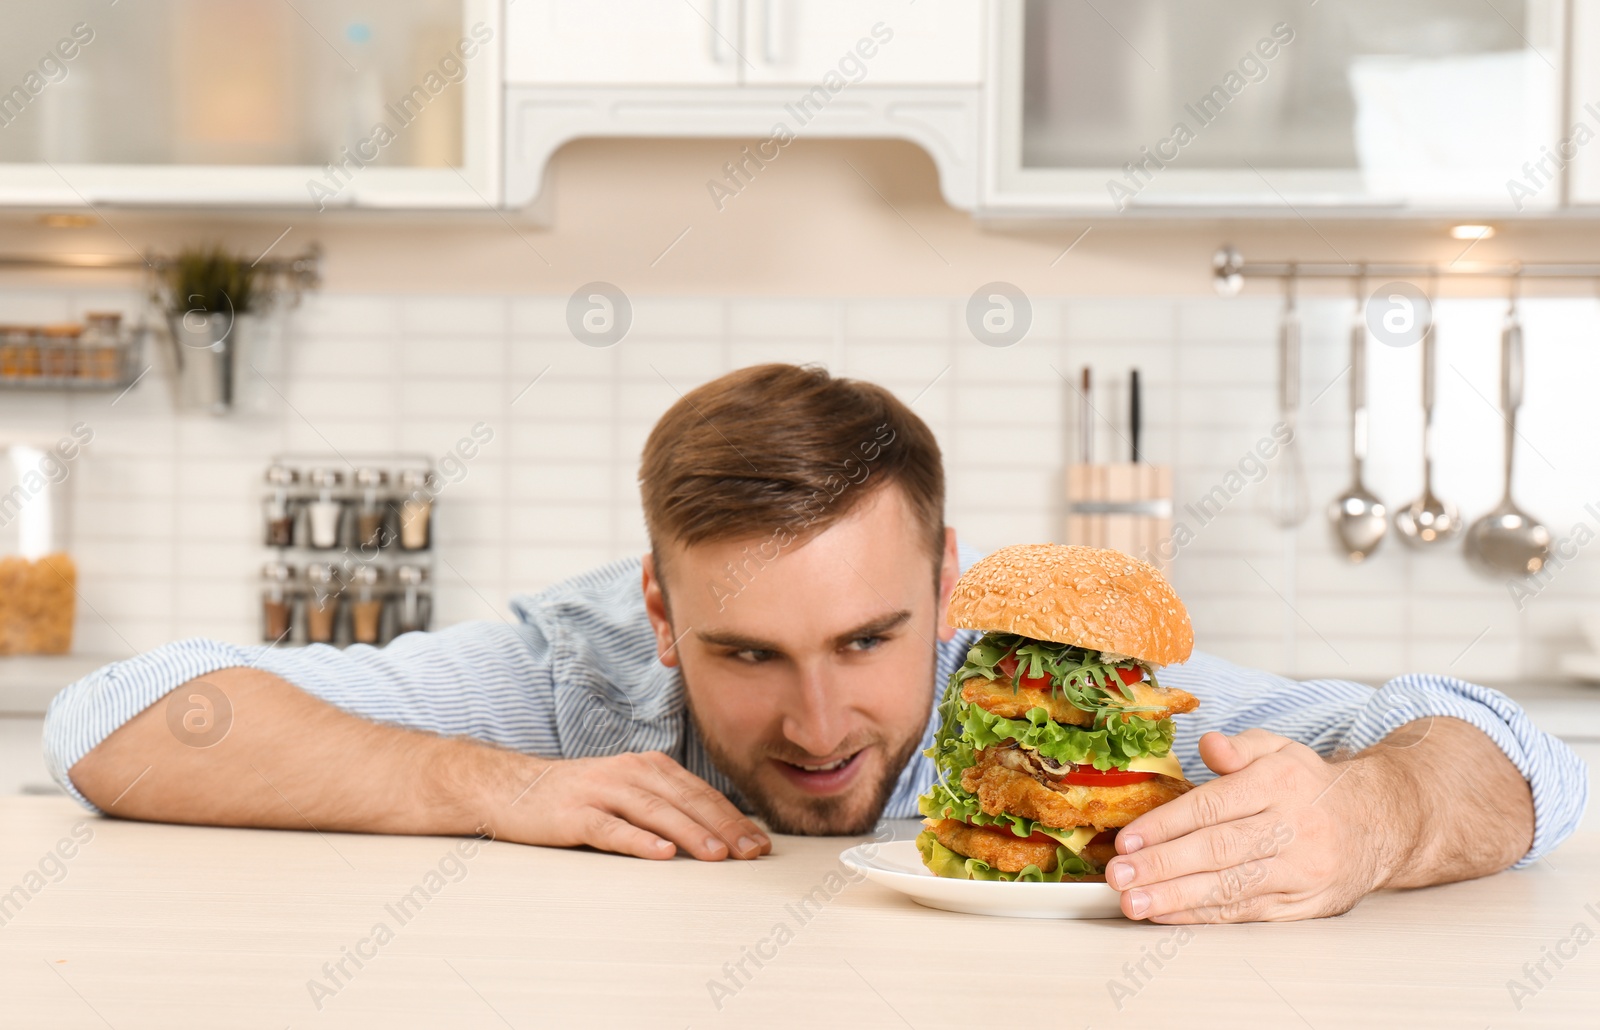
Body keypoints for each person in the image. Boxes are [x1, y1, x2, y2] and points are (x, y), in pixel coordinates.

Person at [45, 364, 1586, 924]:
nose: (823, 718)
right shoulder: (576, 676)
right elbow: (121, 712)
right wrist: (481, 781)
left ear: (951, 586)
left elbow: (1515, 755)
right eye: (747, 655)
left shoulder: (1049, 693)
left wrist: (1374, 814)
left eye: (867, 635)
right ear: (658, 613)